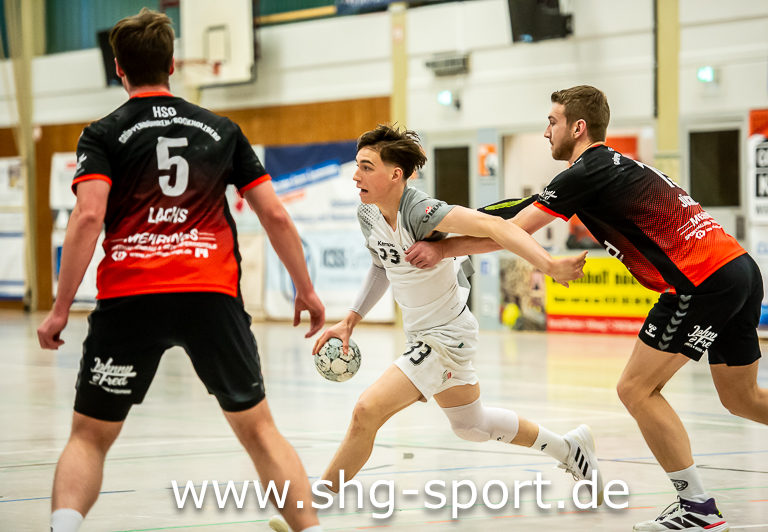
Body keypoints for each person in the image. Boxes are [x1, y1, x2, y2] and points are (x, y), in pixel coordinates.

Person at [405, 85, 768, 532]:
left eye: (552, 122)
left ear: (578, 127)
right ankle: (697, 507)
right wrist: (446, 237)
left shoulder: (586, 170)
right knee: (743, 397)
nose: (546, 131)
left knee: (636, 390)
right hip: (739, 270)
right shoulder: (605, 167)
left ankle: (698, 509)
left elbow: (514, 228)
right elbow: (515, 214)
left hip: (700, 281)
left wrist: (442, 246)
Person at [36, 9, 325, 532]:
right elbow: (276, 215)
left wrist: (59, 309)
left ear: (119, 68)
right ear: (173, 64)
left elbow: (88, 217)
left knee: (89, 437)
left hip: (130, 297)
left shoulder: (103, 133)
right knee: (260, 432)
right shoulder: (222, 130)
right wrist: (305, 289)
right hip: (209, 293)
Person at [268, 124, 596, 532]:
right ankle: (568, 448)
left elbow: (496, 227)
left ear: (396, 175)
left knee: (366, 410)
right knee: (472, 426)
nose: (355, 176)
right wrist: (350, 318)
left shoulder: (420, 210)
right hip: (423, 334)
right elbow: (382, 265)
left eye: (366, 167)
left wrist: (548, 265)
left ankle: (309, 510)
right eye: (356, 166)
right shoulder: (368, 212)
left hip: (445, 337)